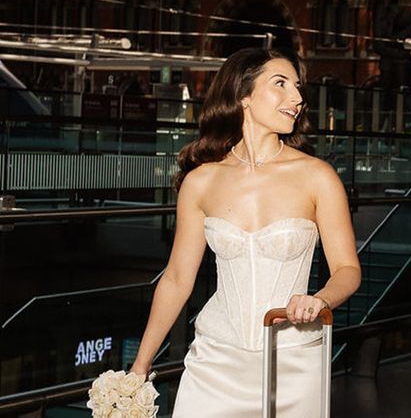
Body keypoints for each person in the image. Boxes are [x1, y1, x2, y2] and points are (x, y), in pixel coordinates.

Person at [130, 48, 361, 417]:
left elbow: (348, 270)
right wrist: (140, 366)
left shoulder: (318, 176)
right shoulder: (201, 181)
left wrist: (321, 299)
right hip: (214, 363)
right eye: (280, 84)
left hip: (293, 363)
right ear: (244, 95)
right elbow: (176, 280)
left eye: (298, 88)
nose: (297, 98)